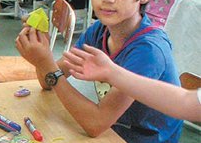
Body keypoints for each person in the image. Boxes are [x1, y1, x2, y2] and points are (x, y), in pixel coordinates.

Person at [16, 0, 183, 143]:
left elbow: (95, 123)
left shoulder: (149, 51)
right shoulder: (100, 30)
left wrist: (46, 64)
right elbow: (49, 81)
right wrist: (42, 56)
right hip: (110, 136)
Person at [64, 44, 201, 122]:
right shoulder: (99, 31)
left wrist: (50, 68)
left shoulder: (150, 49)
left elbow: (185, 103)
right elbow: (185, 102)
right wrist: (111, 73)